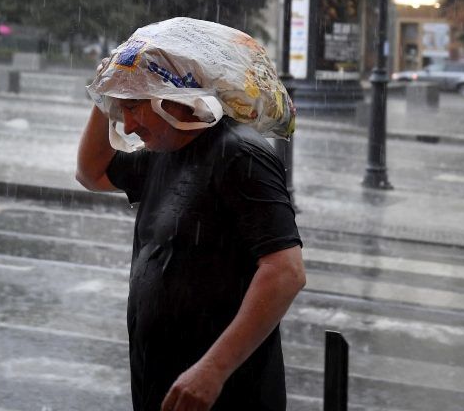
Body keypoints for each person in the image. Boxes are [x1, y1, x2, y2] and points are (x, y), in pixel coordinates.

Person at [76, 95, 305, 411]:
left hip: (225, 392)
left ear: (170, 98)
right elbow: (91, 173)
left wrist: (214, 370)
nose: (127, 127)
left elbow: (286, 272)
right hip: (161, 381)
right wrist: (107, 91)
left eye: (132, 109)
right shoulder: (165, 147)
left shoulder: (239, 152)